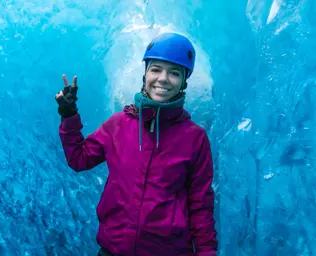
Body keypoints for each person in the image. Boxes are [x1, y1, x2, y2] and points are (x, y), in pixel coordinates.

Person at [55, 32, 218, 256]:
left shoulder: (195, 138)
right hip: (113, 250)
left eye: (174, 73)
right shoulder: (118, 125)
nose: (163, 79)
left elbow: (200, 205)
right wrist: (69, 114)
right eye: (156, 69)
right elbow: (79, 159)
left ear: (183, 81)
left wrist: (206, 253)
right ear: (145, 73)